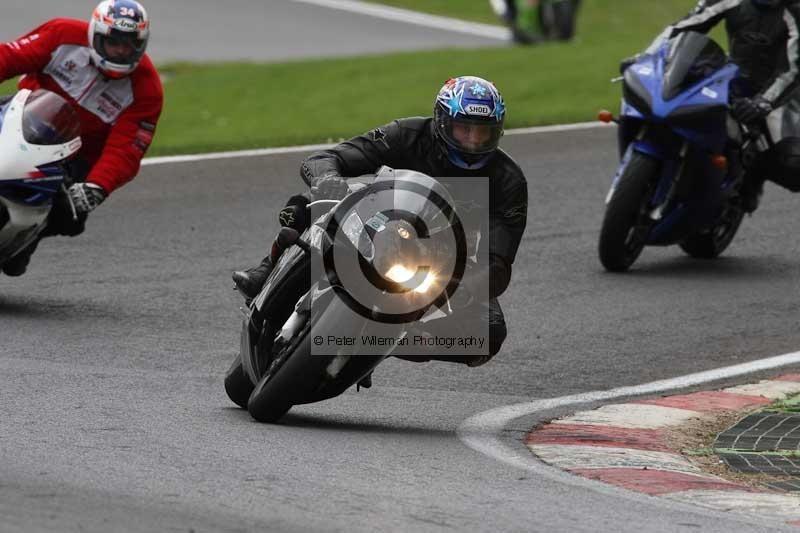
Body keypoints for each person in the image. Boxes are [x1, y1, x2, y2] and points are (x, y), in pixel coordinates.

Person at [233, 76, 528, 368]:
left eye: (483, 132)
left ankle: (387, 344)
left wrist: (464, 288)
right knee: (306, 204)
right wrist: (328, 178)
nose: (473, 141)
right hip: (376, 221)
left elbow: (498, 263)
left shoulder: (508, 181)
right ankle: (267, 269)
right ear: (442, 121)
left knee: (489, 331)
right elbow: (323, 159)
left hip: (439, 262)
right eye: (465, 129)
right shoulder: (406, 134)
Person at [0, 0, 163, 276]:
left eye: (129, 45)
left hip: (71, 157)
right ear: (95, 34)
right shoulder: (61, 34)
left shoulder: (147, 89)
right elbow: (8, 57)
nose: (121, 50)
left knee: (71, 216)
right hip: (20, 120)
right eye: (113, 41)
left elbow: (126, 150)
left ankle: (23, 240)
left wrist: (97, 186)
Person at [623, 0, 800, 212]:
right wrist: (645, 57)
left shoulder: (795, 12)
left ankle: (753, 176)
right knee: (682, 103)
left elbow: (793, 70)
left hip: (781, 92)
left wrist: (765, 101)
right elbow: (683, 26)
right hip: (734, 76)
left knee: (791, 164)